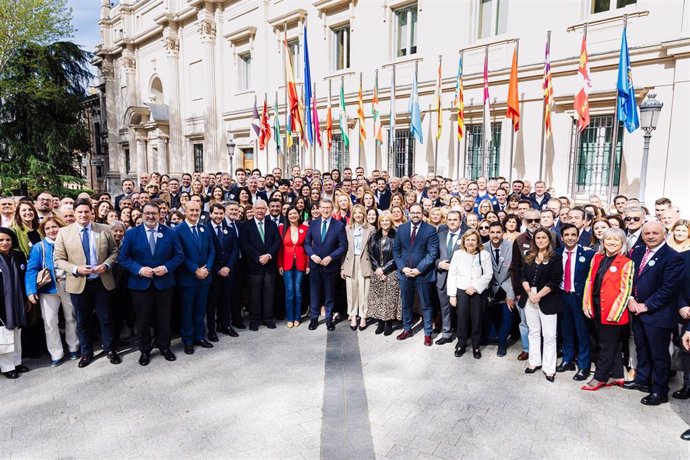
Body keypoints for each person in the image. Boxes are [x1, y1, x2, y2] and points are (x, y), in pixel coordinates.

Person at [53, 199, 120, 368]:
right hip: (78, 283)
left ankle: (110, 349)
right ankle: (86, 352)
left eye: (86, 211)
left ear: (92, 212)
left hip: (101, 282)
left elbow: (114, 251)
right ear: (74, 213)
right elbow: (58, 259)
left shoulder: (104, 229)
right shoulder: (64, 233)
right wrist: (76, 269)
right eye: (80, 212)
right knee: (82, 321)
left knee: (106, 318)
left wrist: (105, 265)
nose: (83, 215)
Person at [624, 221, 685, 406]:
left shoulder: (673, 257)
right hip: (637, 310)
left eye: (655, 233)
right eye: (647, 233)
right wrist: (631, 299)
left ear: (664, 234)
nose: (650, 236)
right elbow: (631, 278)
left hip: (657, 314)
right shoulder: (638, 252)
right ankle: (642, 380)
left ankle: (659, 390)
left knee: (659, 354)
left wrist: (647, 306)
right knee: (642, 348)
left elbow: (669, 289)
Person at [118, 202, 184, 365]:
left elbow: (179, 256)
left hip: (164, 283)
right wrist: (139, 269)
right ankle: (145, 350)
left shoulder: (170, 232)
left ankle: (164, 346)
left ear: (160, 214)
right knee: (143, 319)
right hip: (140, 284)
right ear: (142, 214)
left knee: (164, 318)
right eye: (147, 213)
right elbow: (123, 258)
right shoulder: (132, 233)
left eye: (154, 213)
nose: (150, 216)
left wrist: (166, 268)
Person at [581, 228, 634, 391]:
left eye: (616, 240)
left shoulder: (626, 263)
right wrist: (586, 304)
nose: (611, 243)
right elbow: (590, 281)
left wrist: (615, 314)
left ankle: (599, 378)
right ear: (603, 242)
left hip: (612, 311)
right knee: (610, 344)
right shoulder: (597, 258)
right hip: (596, 306)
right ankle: (617, 375)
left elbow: (626, 291)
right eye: (608, 239)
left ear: (622, 243)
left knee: (606, 346)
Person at [25, 217, 79, 367]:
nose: (52, 230)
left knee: (72, 318)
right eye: (48, 228)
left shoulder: (68, 243)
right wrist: (31, 290)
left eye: (54, 227)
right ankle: (56, 353)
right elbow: (31, 270)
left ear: (60, 227)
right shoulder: (39, 247)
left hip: (69, 286)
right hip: (48, 288)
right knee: (49, 322)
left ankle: (74, 347)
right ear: (43, 231)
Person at [520, 228, 564, 382]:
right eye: (538, 238)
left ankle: (549, 368)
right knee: (533, 331)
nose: (540, 240)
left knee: (550, 335)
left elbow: (555, 280)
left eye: (544, 238)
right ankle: (534, 362)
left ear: (549, 240)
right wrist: (529, 292)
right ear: (534, 240)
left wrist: (538, 295)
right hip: (529, 297)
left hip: (547, 298)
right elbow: (523, 276)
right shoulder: (529, 256)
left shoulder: (556, 257)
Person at [393, 203, 440, 346]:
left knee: (426, 304)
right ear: (408, 214)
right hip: (405, 274)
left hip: (423, 274)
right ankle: (407, 329)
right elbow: (397, 251)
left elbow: (432, 253)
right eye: (412, 212)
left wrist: (419, 269)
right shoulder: (401, 229)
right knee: (406, 304)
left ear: (422, 214)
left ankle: (427, 333)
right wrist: (403, 268)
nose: (415, 215)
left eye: (418, 212)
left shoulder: (430, 230)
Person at [174, 200, 215, 355]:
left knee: (200, 310)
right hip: (188, 278)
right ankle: (188, 340)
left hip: (205, 277)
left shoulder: (204, 229)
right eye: (191, 210)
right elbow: (180, 255)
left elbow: (212, 250)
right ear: (185, 210)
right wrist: (195, 270)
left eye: (197, 210)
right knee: (187, 311)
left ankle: (199, 336)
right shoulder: (178, 230)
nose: (194, 213)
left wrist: (208, 269)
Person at [556, 223, 595, 381]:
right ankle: (567, 359)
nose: (570, 237)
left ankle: (584, 366)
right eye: (567, 235)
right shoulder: (557, 254)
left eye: (573, 234)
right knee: (566, 330)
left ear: (578, 237)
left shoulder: (588, 254)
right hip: (562, 296)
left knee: (582, 332)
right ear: (562, 237)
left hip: (579, 298)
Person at [448, 229, 493, 359]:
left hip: (477, 292)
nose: (470, 242)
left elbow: (488, 274)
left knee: (477, 319)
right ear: (463, 241)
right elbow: (452, 274)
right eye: (468, 239)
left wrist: (475, 287)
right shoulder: (457, 254)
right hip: (461, 291)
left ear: (478, 241)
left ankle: (476, 345)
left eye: (473, 239)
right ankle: (461, 344)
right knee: (462, 319)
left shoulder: (485, 255)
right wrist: (452, 295)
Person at [305, 199, 347, 331]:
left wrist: (331, 257)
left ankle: (329, 319)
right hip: (315, 264)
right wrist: (312, 255)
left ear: (332, 208)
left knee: (329, 294)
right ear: (319, 208)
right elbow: (307, 243)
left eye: (328, 207)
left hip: (330, 265)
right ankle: (314, 319)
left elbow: (343, 246)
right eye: (322, 207)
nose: (325, 210)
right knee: (315, 293)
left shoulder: (339, 225)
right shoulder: (313, 223)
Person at [238, 199, 280, 331]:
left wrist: (268, 255)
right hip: (253, 265)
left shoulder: (272, 225)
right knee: (254, 294)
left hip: (269, 264)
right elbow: (244, 244)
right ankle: (254, 320)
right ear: (254, 210)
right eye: (258, 209)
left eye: (263, 208)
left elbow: (277, 241)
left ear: (266, 210)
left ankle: (268, 319)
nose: (260, 211)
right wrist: (257, 257)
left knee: (269, 293)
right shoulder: (246, 225)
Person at [206, 203, 240, 340]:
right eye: (216, 213)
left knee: (226, 299)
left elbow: (234, 250)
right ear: (211, 214)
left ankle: (225, 325)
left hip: (228, 271)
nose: (219, 216)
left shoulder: (229, 229)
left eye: (221, 213)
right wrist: (217, 268)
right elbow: (207, 252)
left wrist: (228, 267)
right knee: (212, 302)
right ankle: (212, 330)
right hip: (213, 272)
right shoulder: (206, 229)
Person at [0, 227, 29, 378]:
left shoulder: (18, 255)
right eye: (1, 240)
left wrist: (26, 298)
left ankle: (17, 362)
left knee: (17, 333)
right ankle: (7, 367)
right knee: (5, 337)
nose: (5, 243)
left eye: (8, 239)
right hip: (2, 305)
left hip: (17, 301)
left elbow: (24, 278)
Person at [484, 222, 516, 357]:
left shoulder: (511, 247)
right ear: (489, 233)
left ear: (503, 233)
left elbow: (515, 272)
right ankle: (494, 337)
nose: (495, 235)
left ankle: (502, 343)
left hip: (507, 287)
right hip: (490, 288)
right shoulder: (483, 248)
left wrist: (511, 294)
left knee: (507, 315)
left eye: (498, 232)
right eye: (493, 232)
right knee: (493, 317)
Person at [367, 212, 401, 336]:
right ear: (379, 222)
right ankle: (380, 321)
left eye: (387, 220)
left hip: (391, 271)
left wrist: (385, 269)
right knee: (379, 297)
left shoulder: (396, 236)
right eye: (382, 221)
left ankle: (389, 323)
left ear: (391, 222)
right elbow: (370, 253)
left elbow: (397, 255)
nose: (385, 223)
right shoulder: (374, 236)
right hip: (377, 271)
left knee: (389, 298)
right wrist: (377, 269)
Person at [341, 204, 373, 331]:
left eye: (360, 213)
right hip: (351, 261)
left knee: (364, 291)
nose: (358, 215)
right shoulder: (348, 228)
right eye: (355, 213)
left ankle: (363, 316)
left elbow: (372, 249)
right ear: (352, 215)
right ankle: (353, 315)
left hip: (365, 262)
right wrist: (342, 267)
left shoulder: (371, 229)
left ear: (364, 215)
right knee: (351, 290)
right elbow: (344, 249)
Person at [434, 210, 463, 345]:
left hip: (460, 279)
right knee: (445, 307)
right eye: (450, 219)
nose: (452, 222)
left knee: (461, 308)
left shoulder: (466, 236)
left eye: (455, 219)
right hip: (443, 277)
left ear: (460, 221)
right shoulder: (439, 235)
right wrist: (439, 263)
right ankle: (447, 333)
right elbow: (432, 255)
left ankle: (462, 335)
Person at [278, 207, 309, 328]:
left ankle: (297, 317)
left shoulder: (305, 228)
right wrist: (279, 264)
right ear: (287, 215)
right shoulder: (281, 228)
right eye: (290, 214)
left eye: (295, 213)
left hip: (300, 263)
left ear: (299, 214)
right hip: (286, 263)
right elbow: (279, 249)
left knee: (298, 291)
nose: (292, 216)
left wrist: (308, 264)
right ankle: (290, 318)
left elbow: (307, 247)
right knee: (290, 291)